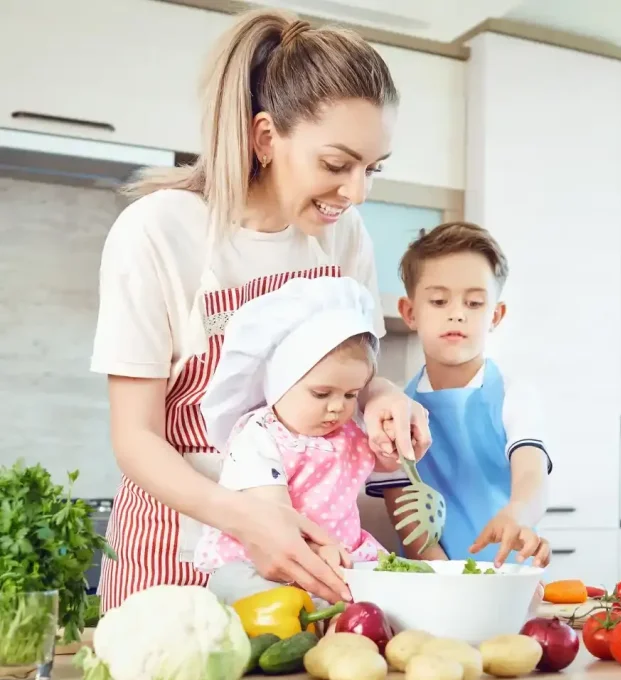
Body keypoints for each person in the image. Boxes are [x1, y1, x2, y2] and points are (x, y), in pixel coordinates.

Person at [89, 10, 430, 613]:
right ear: (266, 137)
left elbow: (355, 369)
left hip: (310, 562)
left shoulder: (344, 236)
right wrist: (247, 518)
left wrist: (383, 396)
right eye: (337, 165)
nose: (357, 193)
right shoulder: (158, 232)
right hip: (176, 552)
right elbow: (135, 438)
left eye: (372, 169)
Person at [366, 222, 552, 569]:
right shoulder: (394, 415)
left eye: (475, 302)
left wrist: (517, 513)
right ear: (410, 312)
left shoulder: (515, 396)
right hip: (435, 581)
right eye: (439, 301)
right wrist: (453, 582)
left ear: (495, 315)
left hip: (511, 580)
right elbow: (412, 529)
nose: (457, 313)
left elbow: (532, 477)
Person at [194, 276, 389, 604]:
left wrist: (389, 443)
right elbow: (274, 511)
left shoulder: (347, 435)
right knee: (242, 587)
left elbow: (383, 464)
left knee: (382, 594)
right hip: (265, 560)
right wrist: (315, 550)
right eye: (322, 393)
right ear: (279, 383)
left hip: (338, 557)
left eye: (351, 394)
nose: (337, 406)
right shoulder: (259, 436)